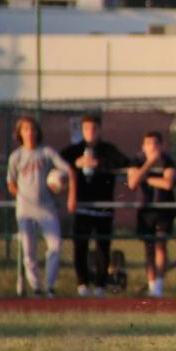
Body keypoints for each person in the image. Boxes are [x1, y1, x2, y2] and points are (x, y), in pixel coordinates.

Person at [59, 112, 131, 297]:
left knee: (102, 248)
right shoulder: (74, 150)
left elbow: (123, 162)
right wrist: (76, 164)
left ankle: (100, 285)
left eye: (94, 128)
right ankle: (82, 283)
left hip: (103, 207)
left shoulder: (107, 149)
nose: (91, 131)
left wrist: (98, 163)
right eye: (87, 128)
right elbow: (59, 160)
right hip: (83, 206)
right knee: (80, 245)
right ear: (82, 130)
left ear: (99, 130)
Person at [6, 116, 73, 297]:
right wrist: (23, 195)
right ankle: (36, 287)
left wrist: (67, 190)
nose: (30, 132)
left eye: (33, 128)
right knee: (28, 250)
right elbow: (11, 183)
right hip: (25, 210)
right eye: (26, 129)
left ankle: (49, 286)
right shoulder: (16, 156)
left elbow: (68, 170)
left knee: (55, 245)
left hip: (46, 207)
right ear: (19, 133)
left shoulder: (46, 153)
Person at [127, 131, 176, 298]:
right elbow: (132, 183)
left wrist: (146, 179)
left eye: (156, 143)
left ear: (162, 145)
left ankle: (159, 286)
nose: (152, 147)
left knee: (160, 246)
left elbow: (168, 183)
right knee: (148, 249)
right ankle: (151, 285)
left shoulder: (167, 160)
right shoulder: (137, 160)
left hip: (164, 210)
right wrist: (149, 164)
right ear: (143, 146)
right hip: (145, 210)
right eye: (148, 144)